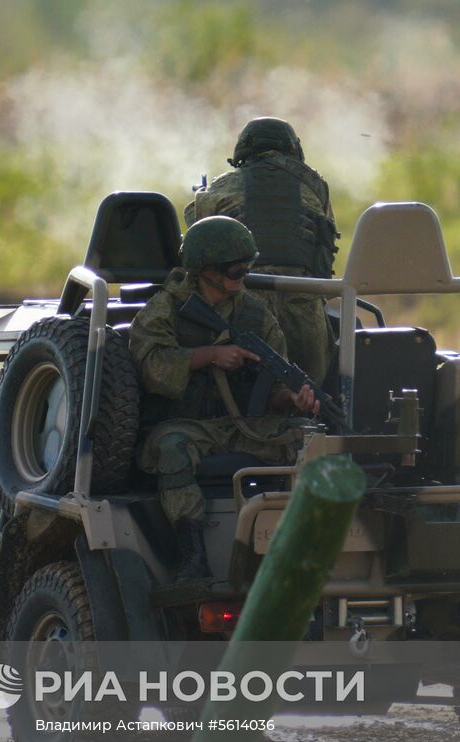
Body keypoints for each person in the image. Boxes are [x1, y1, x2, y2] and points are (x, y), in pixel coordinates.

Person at [129, 216, 318, 581]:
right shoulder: (165, 309)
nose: (242, 277)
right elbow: (151, 367)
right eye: (234, 271)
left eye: (247, 268)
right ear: (205, 271)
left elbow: (274, 388)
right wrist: (209, 357)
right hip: (186, 425)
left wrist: (293, 400)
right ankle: (193, 555)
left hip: (244, 426)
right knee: (172, 449)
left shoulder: (255, 315)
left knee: (309, 441)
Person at [187, 117, 339, 388]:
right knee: (310, 394)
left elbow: (197, 237)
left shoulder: (221, 187)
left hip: (243, 301)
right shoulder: (316, 187)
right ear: (294, 150)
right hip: (304, 305)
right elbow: (325, 248)